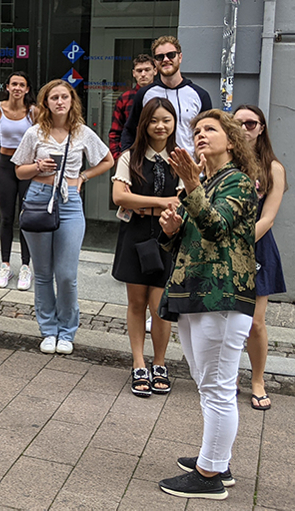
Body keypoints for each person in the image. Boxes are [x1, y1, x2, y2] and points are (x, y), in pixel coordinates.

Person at [155, 109, 260, 500]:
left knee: (217, 387)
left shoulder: (239, 183)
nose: (200, 135)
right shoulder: (205, 182)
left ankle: (210, 475)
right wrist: (171, 229)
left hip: (223, 294)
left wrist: (189, 184)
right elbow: (191, 236)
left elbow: (217, 226)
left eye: (210, 130)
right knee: (206, 383)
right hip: (195, 291)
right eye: (197, 130)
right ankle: (216, 459)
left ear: (230, 140)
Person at [12, 79, 113, 355]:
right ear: (46, 102)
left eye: (64, 97)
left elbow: (107, 160)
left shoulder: (82, 133)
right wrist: (37, 166)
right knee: (43, 273)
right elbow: (19, 171)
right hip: (37, 199)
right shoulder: (34, 133)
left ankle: (67, 331)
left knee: (66, 274)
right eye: (54, 97)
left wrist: (83, 176)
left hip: (69, 203)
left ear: (72, 101)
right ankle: (48, 331)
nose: (59, 102)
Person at [111, 98, 181, 396]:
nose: (160, 126)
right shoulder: (130, 157)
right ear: (144, 124)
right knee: (137, 304)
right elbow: (120, 198)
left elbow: (183, 204)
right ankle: (139, 363)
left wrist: (144, 205)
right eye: (153, 120)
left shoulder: (181, 159)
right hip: (135, 236)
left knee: (160, 307)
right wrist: (160, 203)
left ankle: (160, 363)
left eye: (166, 119)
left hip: (168, 238)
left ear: (174, 123)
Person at [234, 104, 287, 412]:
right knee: (227, 319)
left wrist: (239, 242)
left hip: (257, 247)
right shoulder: (225, 163)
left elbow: (268, 217)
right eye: (237, 123)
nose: (244, 129)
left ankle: (257, 380)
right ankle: (229, 375)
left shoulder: (273, 168)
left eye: (251, 123)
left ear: (262, 127)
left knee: (254, 322)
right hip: (224, 247)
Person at [120, 36, 212, 155]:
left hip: (190, 167)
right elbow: (130, 130)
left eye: (171, 55)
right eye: (160, 57)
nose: (166, 59)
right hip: (152, 167)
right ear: (155, 62)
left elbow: (208, 134)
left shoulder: (200, 95)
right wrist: (128, 159)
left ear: (180, 57)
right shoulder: (144, 94)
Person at [0, 71, 35, 291]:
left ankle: (26, 265)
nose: (17, 88)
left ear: (27, 89)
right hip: (5, 165)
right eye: (13, 83)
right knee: (6, 217)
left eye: (21, 85)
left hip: (26, 165)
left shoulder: (33, 112)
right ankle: (5, 264)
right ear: (7, 86)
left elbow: (40, 139)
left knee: (26, 216)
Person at [109, 54, 156, 161]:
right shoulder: (124, 98)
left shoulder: (162, 96)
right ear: (134, 73)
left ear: (155, 71)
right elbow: (115, 133)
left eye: (147, 70)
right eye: (139, 71)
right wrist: (119, 158)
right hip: (131, 156)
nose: (143, 74)